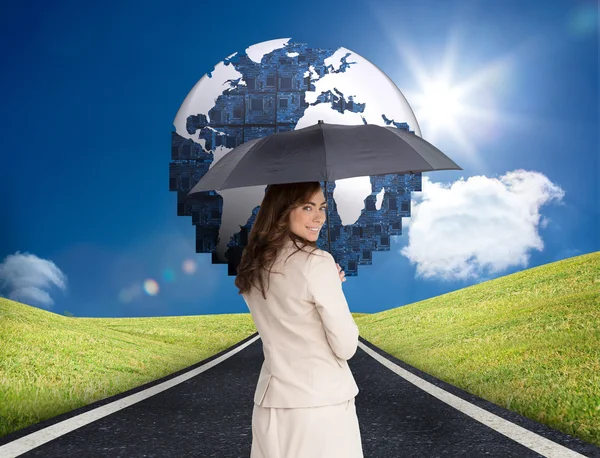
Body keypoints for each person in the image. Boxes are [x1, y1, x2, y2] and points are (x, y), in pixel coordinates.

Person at [235, 181, 364, 458]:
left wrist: (329, 282)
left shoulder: (253, 266)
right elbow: (346, 346)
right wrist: (332, 285)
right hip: (320, 407)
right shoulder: (317, 263)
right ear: (283, 211)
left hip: (270, 406)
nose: (319, 217)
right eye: (307, 207)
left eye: (322, 207)